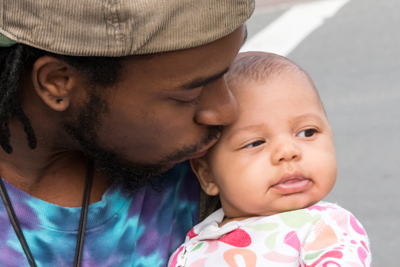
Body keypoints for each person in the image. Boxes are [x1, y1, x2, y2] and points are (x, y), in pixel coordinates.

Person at [0, 0, 255, 266]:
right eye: (189, 94)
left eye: (226, 69)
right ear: (58, 82)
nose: (228, 112)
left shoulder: (228, 167)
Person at [169, 52, 372, 267]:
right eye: (256, 143)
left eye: (307, 132)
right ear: (207, 175)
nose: (287, 151)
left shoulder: (325, 228)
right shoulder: (194, 243)